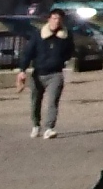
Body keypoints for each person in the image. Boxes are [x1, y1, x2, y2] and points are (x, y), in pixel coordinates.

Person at [23, 11, 74, 139]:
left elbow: (70, 51)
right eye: (54, 18)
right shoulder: (38, 35)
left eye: (59, 19)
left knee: (52, 102)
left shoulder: (65, 36)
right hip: (39, 73)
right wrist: (22, 70)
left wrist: (61, 59)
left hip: (55, 73)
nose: (56, 21)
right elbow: (28, 52)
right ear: (49, 19)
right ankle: (36, 125)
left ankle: (49, 128)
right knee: (35, 101)